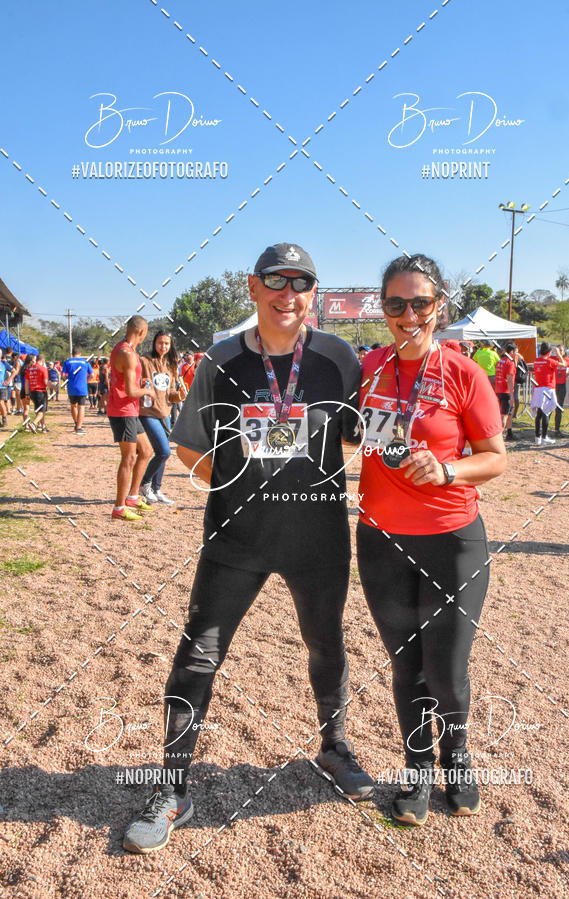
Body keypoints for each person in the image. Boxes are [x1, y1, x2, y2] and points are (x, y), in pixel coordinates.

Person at [123, 242, 374, 855]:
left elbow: (361, 437)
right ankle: (174, 786)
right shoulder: (222, 358)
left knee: (326, 645)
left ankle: (334, 748)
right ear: (254, 289)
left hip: (317, 536)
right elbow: (187, 446)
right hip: (235, 537)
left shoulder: (341, 357)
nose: (288, 295)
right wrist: (232, 475)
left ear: (312, 293)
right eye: (275, 282)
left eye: (301, 283)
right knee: (197, 654)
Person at [356, 254, 506, 826]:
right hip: (381, 540)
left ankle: (458, 755)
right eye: (396, 304)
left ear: (439, 306)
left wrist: (447, 471)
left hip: (452, 540)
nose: (409, 314)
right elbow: (340, 427)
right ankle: (418, 768)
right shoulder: (367, 366)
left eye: (421, 302)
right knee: (406, 664)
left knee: (446, 667)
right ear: (384, 309)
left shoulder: (465, 371)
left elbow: (496, 459)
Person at [106, 316, 156, 521]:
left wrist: (140, 381)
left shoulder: (125, 349)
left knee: (146, 450)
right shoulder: (127, 353)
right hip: (122, 410)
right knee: (129, 458)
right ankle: (119, 508)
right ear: (142, 332)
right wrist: (148, 391)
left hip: (129, 410)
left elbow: (127, 381)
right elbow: (130, 390)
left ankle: (133, 497)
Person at [139, 331, 185, 504]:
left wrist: (179, 395)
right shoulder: (144, 361)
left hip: (165, 413)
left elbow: (170, 394)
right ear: (154, 343)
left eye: (166, 343)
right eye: (160, 343)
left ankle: (156, 489)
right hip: (148, 412)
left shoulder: (171, 364)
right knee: (164, 452)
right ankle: (144, 484)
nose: (163, 346)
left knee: (163, 453)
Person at [531, 342, 564, 446]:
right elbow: (564, 364)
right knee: (546, 412)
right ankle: (544, 437)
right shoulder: (550, 361)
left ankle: (538, 436)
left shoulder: (536, 361)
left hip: (538, 388)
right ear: (549, 352)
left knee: (539, 414)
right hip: (548, 388)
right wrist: (558, 354)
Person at [62, 348, 93, 434]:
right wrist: (85, 380)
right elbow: (92, 375)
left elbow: (63, 375)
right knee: (81, 407)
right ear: (80, 354)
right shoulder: (85, 362)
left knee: (73, 406)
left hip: (71, 387)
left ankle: (76, 423)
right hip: (82, 387)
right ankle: (79, 427)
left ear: (72, 354)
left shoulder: (67, 362)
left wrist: (68, 380)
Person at [494, 342, 517, 440]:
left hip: (499, 390)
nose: (517, 354)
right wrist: (512, 395)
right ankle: (500, 436)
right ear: (511, 352)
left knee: (508, 413)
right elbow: (510, 379)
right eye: (516, 352)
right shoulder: (509, 363)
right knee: (504, 414)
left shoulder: (500, 361)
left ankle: (509, 432)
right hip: (506, 391)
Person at [24, 354, 49, 432]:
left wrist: (27, 393)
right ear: (42, 360)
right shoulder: (43, 369)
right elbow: (45, 382)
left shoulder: (29, 369)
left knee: (39, 410)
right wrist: (53, 386)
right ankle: (34, 424)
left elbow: (27, 382)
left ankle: (43, 426)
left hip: (32, 391)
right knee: (41, 411)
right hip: (41, 391)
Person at [553, 345, 569, 437]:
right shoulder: (552, 358)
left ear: (564, 352)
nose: (559, 352)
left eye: (561, 351)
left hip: (561, 385)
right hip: (553, 385)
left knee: (559, 407)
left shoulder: (566, 359)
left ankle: (557, 429)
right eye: (558, 350)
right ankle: (544, 429)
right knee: (549, 406)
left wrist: (567, 375)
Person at [512, 349, 528, 421]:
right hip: (516, 378)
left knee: (514, 396)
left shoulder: (516, 357)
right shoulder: (519, 356)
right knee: (516, 396)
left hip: (514, 378)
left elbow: (517, 366)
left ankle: (513, 412)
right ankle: (514, 412)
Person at [0, 350, 13, 427]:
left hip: (2, 387)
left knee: (1, 402)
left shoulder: (3, 363)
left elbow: (14, 371)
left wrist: (8, 380)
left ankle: (4, 419)